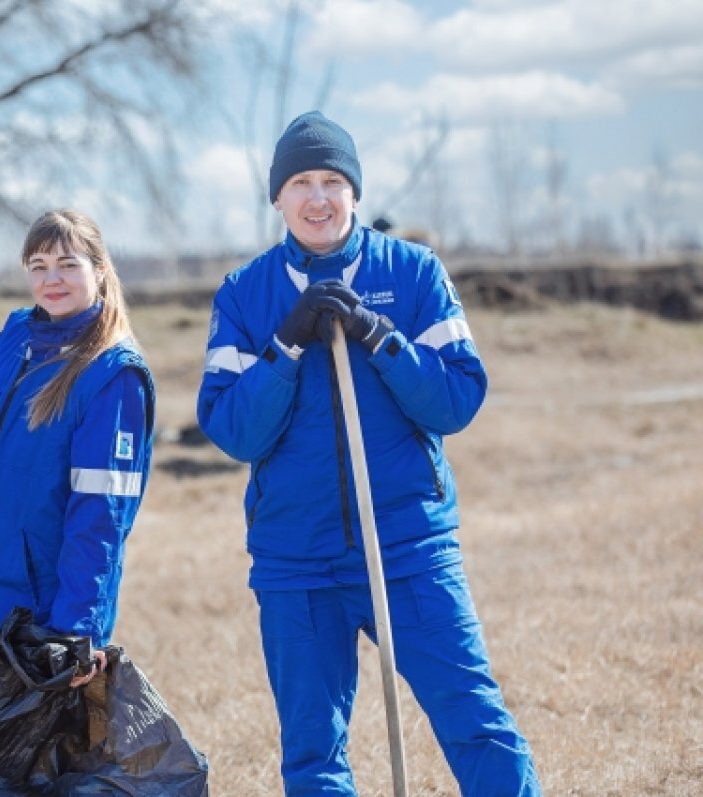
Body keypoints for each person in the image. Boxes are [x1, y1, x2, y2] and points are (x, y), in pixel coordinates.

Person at [197, 111, 541, 795]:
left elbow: (456, 400)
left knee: (477, 721)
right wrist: (285, 347)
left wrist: (382, 337)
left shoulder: (413, 273)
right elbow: (234, 430)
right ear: (277, 198)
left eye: (332, 180)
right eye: (300, 182)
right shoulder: (246, 293)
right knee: (313, 752)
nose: (318, 198)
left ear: (354, 192)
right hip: (296, 558)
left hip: (409, 547)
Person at [0, 209, 155, 739]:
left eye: (68, 264)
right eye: (38, 264)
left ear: (100, 269)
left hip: (32, 629)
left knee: (14, 778)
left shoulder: (113, 375)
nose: (52, 279)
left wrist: (77, 631)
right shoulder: (12, 338)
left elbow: (101, 518)